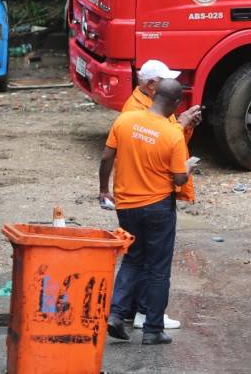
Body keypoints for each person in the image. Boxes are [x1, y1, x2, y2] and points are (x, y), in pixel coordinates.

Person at [101, 79, 190, 345]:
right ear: (176, 104)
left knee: (132, 260)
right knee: (158, 269)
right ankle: (152, 329)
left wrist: (103, 189)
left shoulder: (126, 120)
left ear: (154, 95)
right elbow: (179, 179)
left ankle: (116, 315)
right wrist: (189, 171)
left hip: (126, 205)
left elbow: (107, 157)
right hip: (157, 207)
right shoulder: (173, 133)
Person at [120, 59, 200, 330]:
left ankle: (125, 313)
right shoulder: (135, 111)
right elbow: (162, 150)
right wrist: (180, 126)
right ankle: (148, 317)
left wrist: (182, 125)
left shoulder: (149, 107)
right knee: (153, 262)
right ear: (151, 85)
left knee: (137, 258)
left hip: (134, 198)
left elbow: (165, 145)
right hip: (151, 197)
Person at [124, 59, 202, 143]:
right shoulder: (134, 110)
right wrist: (180, 124)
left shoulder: (159, 102)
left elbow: (177, 143)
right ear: (151, 84)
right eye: (165, 80)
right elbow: (160, 145)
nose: (170, 83)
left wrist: (187, 126)